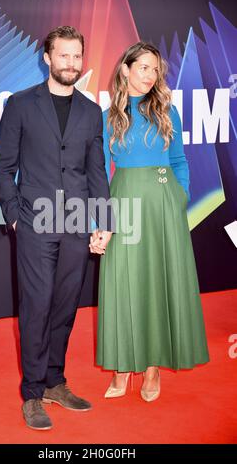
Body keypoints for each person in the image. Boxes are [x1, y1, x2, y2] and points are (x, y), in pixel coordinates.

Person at [0, 26, 112, 430]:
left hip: (77, 224)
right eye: (63, 56)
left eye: (77, 56)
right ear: (47, 57)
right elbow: (4, 167)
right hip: (33, 223)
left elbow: (96, 172)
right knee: (37, 306)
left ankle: (55, 381)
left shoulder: (91, 111)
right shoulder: (21, 104)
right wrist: (13, 215)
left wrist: (105, 223)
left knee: (64, 307)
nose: (71, 64)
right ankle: (32, 393)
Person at [92, 41, 210, 402]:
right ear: (125, 69)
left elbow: (180, 160)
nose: (150, 75)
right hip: (123, 199)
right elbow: (98, 171)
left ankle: (154, 366)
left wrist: (179, 196)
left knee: (158, 282)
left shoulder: (167, 111)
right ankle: (122, 366)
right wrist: (101, 219)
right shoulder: (106, 116)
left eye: (155, 69)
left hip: (163, 205)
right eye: (143, 67)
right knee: (122, 282)